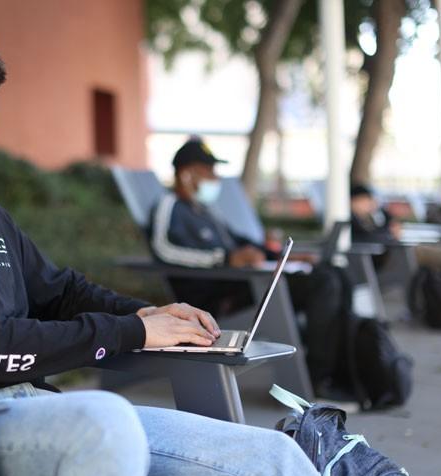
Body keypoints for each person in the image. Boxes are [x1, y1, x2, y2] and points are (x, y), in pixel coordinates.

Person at [0, 32, 320, 476]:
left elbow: (60, 290)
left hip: (36, 414)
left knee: (273, 456)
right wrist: (130, 332)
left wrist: (144, 313)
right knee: (107, 422)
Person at [148, 137, 350, 399]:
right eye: (208, 171)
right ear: (186, 175)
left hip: (242, 285)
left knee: (333, 274)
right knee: (324, 284)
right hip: (216, 300)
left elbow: (243, 243)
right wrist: (223, 259)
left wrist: (281, 255)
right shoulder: (169, 206)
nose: (214, 177)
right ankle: (318, 379)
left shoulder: (206, 211)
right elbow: (163, 249)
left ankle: (341, 372)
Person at [350, 183, 441, 326]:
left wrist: (382, 216)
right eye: (366, 200)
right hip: (395, 256)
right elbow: (371, 237)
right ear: (354, 201)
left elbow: (389, 225)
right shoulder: (353, 219)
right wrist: (389, 232)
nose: (370, 203)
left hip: (400, 251)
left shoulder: (372, 216)